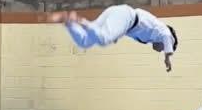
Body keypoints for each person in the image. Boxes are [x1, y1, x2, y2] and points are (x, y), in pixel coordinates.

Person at [48, 6, 177, 72]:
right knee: (103, 39)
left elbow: (129, 30)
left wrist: (117, 34)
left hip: (120, 15)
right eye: (164, 48)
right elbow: (168, 36)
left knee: (85, 42)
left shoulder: (150, 35)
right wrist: (167, 57)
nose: (161, 50)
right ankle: (78, 20)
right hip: (126, 15)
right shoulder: (162, 29)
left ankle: (68, 21)